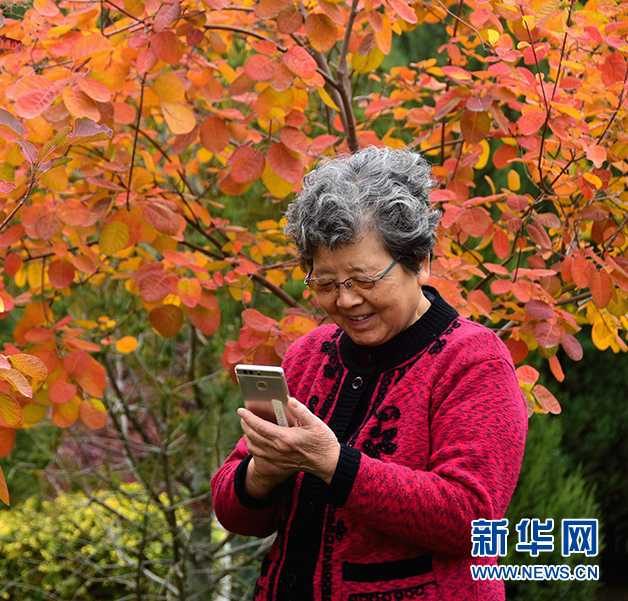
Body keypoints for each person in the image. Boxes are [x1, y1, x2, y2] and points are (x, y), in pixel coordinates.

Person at [211, 147, 528, 601]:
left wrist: (334, 465)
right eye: (325, 283)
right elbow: (234, 511)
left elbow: (471, 520)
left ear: (418, 260)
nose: (346, 301)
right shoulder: (309, 356)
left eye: (363, 280)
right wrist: (264, 471)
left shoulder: (472, 361)